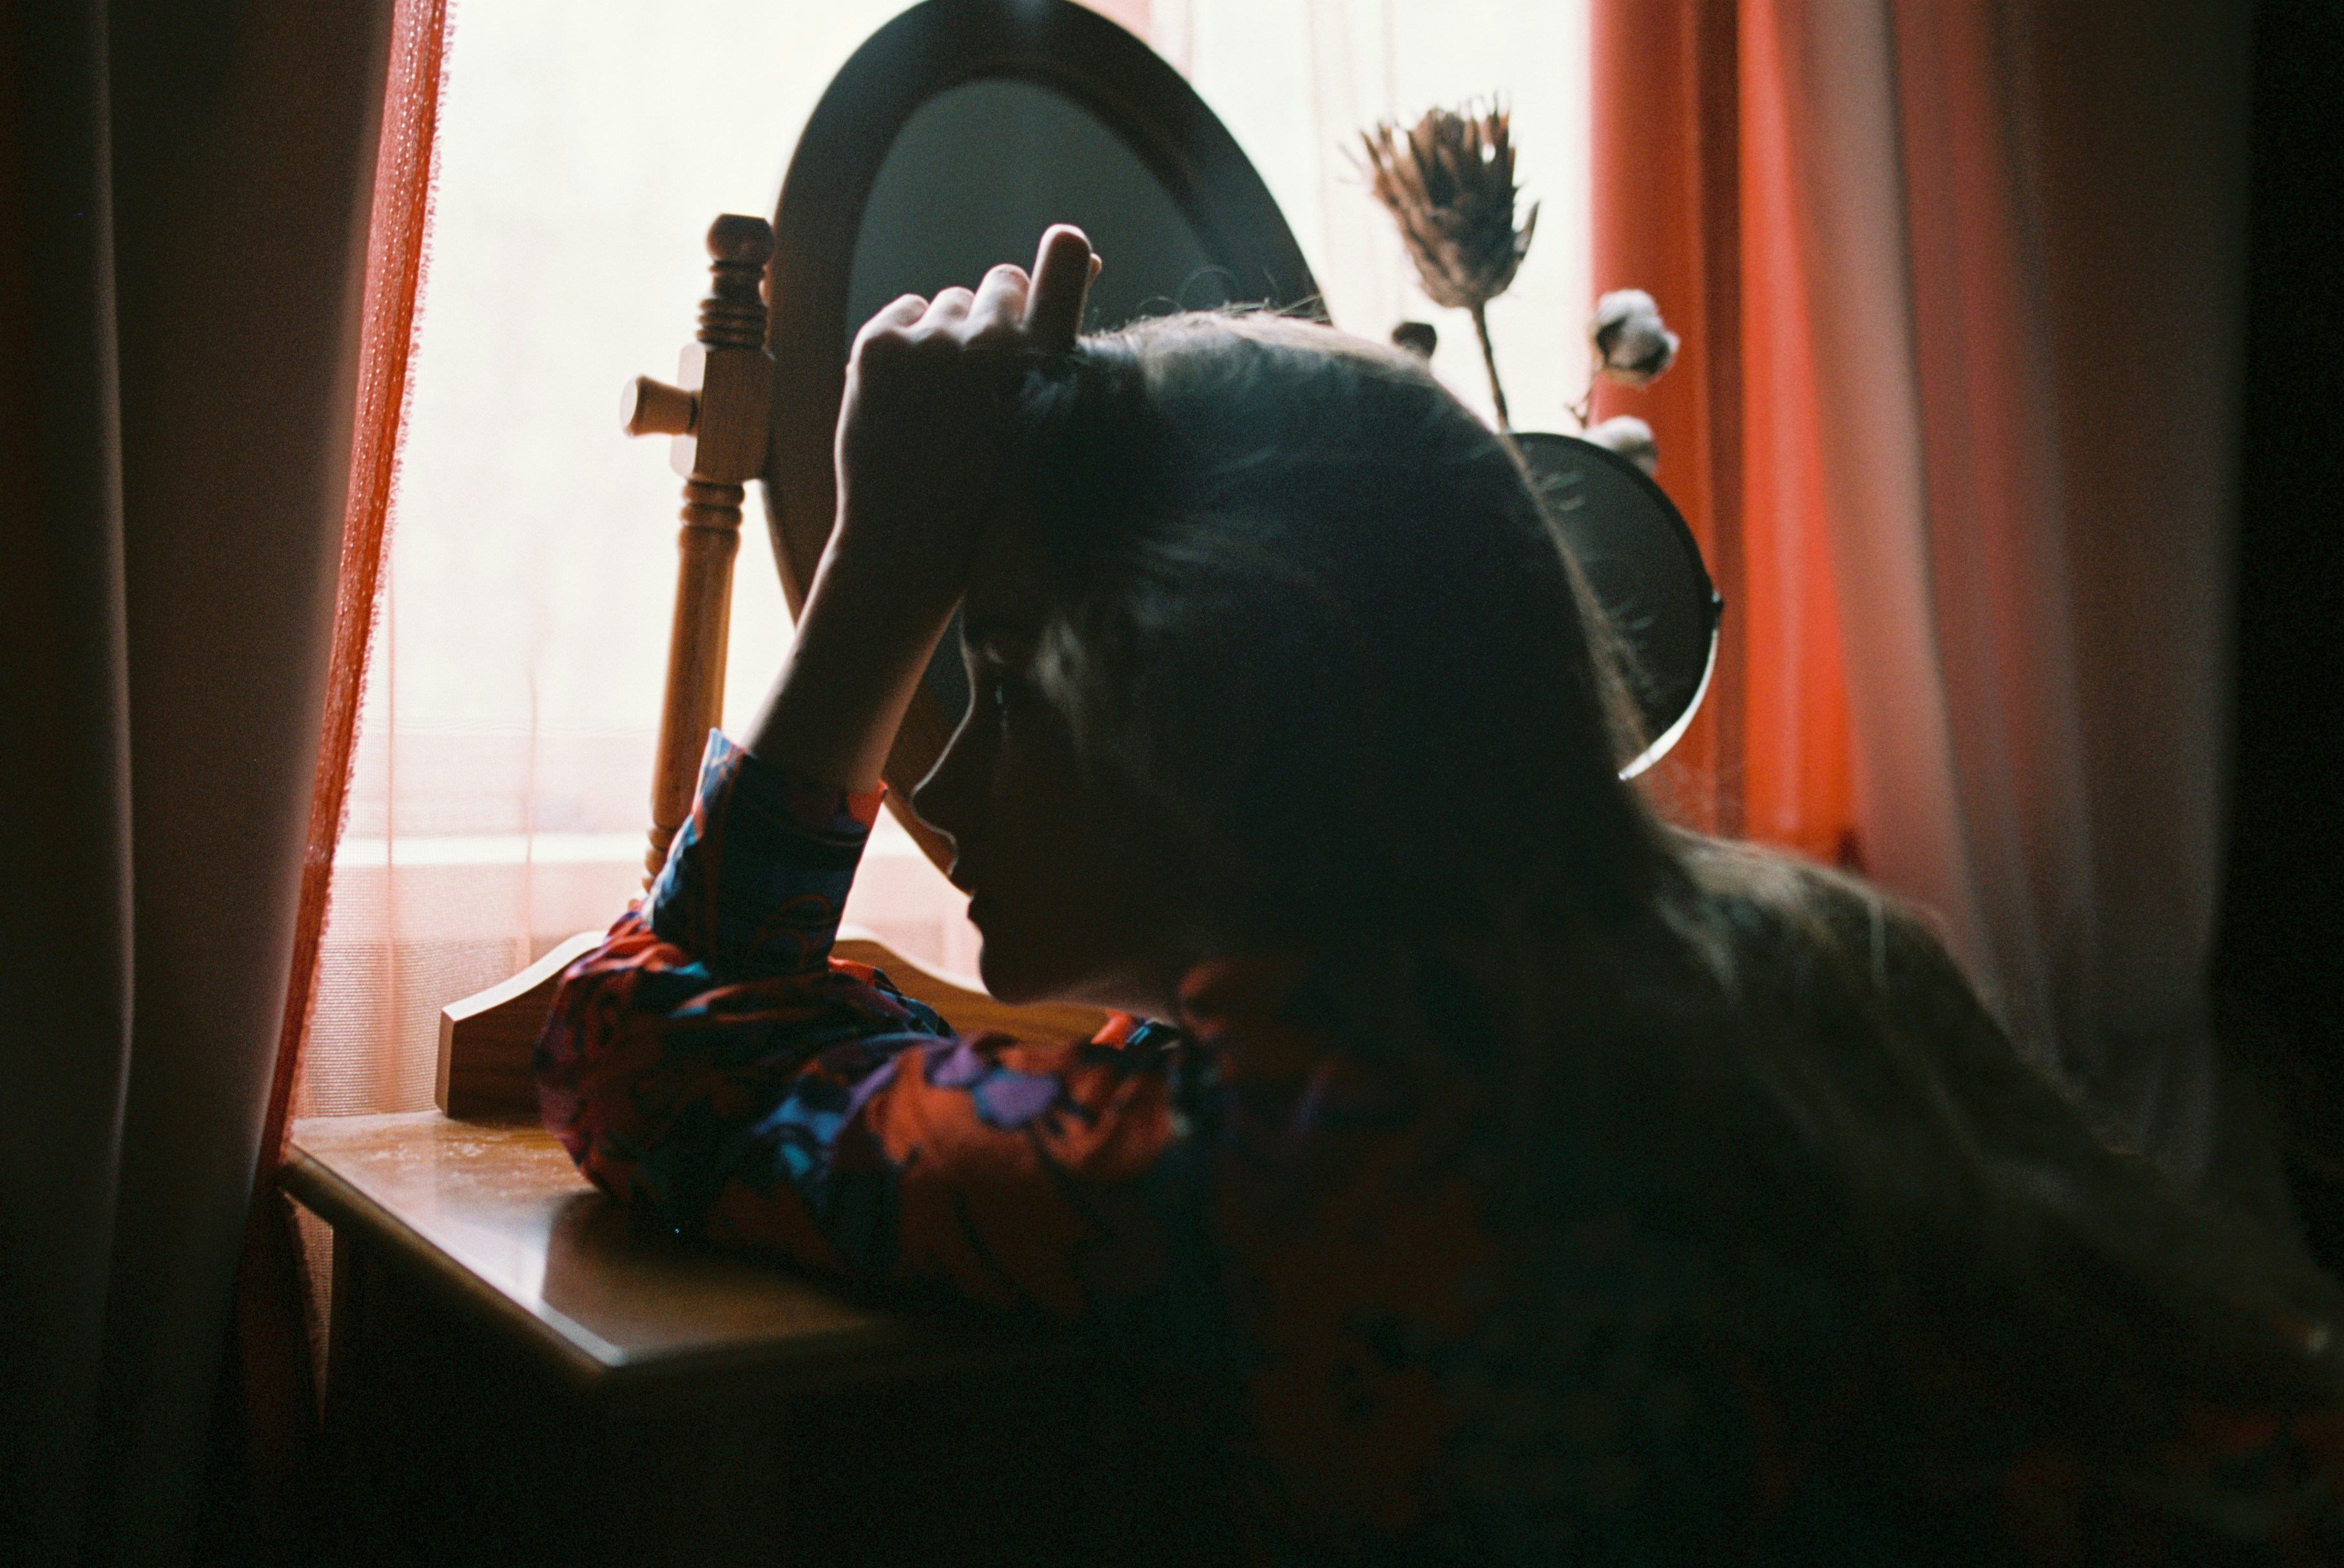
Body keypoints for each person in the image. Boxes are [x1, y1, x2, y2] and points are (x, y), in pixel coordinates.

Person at [538, 226, 2344, 1563]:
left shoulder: (1281, 1160)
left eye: (1002, 667)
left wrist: (875, 574)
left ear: (1207, 693)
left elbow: (645, 1049)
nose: (940, 764)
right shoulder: (1787, 955)